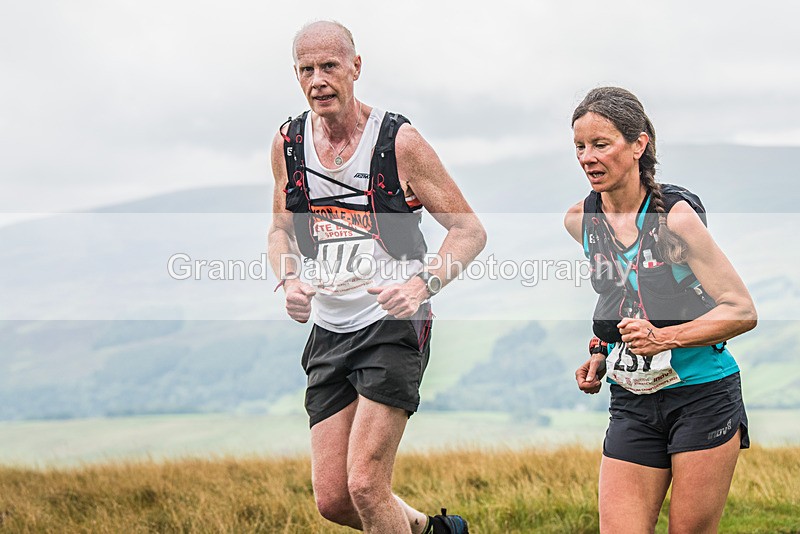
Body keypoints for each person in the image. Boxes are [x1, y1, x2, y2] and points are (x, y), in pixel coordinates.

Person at [267, 21, 485, 534]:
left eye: (329, 66)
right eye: (306, 69)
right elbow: (280, 230)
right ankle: (436, 532)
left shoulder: (398, 141)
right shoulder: (288, 144)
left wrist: (421, 285)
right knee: (335, 499)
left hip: (392, 325)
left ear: (355, 68)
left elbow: (469, 230)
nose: (318, 80)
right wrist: (289, 279)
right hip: (329, 328)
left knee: (366, 484)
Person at [564, 87, 757, 534]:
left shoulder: (677, 218)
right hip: (632, 399)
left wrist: (664, 338)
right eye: (579, 146)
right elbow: (621, 294)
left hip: (702, 396)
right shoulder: (579, 220)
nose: (587, 157)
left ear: (638, 145)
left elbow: (742, 309)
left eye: (601, 144)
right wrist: (600, 348)